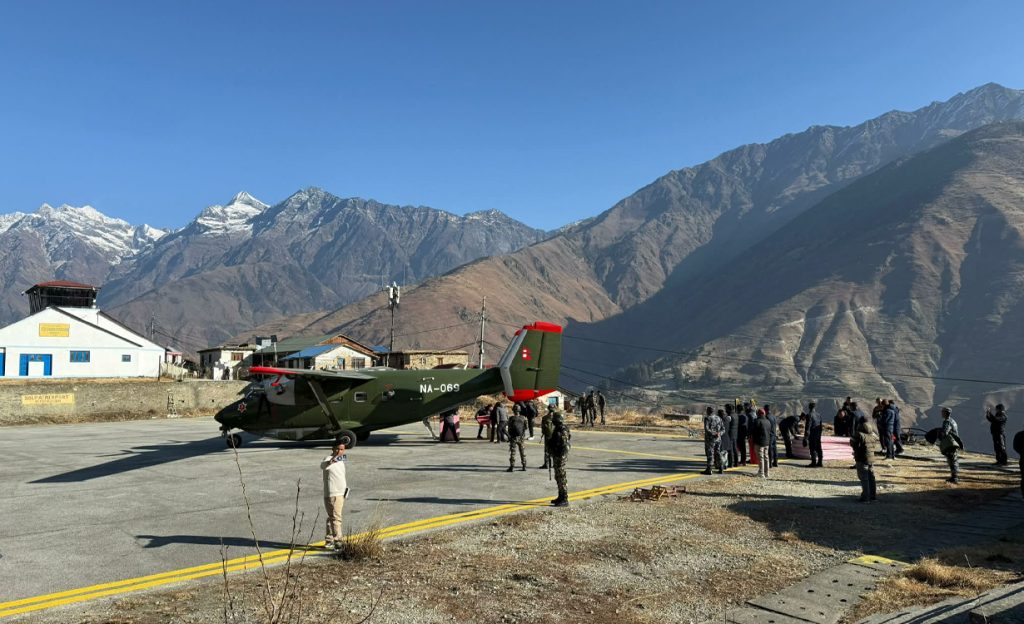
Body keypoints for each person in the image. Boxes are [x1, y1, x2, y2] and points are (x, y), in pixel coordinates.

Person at [320, 442, 349, 550]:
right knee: (336, 518)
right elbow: (322, 466)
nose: (339, 451)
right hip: (333, 493)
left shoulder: (341, 460)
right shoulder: (328, 459)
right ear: (333, 449)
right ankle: (338, 541)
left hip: (341, 493)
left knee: (332, 517)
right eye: (337, 449)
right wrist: (330, 461)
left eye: (342, 449)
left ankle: (329, 540)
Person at [850, 420, 877, 502]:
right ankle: (873, 496)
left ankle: (865, 497)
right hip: (871, 459)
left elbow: (853, 443)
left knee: (864, 478)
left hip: (862, 459)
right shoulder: (873, 436)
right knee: (871, 478)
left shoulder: (859, 435)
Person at [549, 411, 572, 506]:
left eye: (554, 419)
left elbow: (562, 444)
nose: (553, 421)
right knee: (558, 476)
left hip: (560, 456)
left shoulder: (562, 429)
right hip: (557, 455)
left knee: (561, 477)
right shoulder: (558, 428)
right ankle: (560, 496)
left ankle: (565, 498)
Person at [938, 407, 962, 484]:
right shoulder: (952, 420)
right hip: (954, 442)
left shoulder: (947, 422)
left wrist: (940, 434)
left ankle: (954, 477)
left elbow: (945, 432)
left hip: (951, 444)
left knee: (952, 460)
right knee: (954, 459)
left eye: (942, 412)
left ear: (945, 413)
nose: (941, 413)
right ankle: (954, 476)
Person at [702, 406, 725, 475]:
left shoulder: (707, 418)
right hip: (718, 439)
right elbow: (723, 429)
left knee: (710, 454)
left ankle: (709, 469)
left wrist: (714, 434)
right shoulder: (719, 418)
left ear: (708, 411)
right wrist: (719, 434)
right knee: (718, 453)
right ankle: (721, 468)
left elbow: (707, 429)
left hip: (710, 439)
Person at [752, 409, 773, 478]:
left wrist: (753, 441)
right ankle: (767, 472)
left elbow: (754, 432)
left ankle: (761, 473)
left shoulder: (757, 421)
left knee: (761, 458)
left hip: (759, 442)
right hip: (767, 442)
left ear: (758, 414)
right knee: (766, 457)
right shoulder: (768, 421)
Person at [506, 407, 528, 472]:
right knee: (522, 452)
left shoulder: (511, 418)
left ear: (513, 411)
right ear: (520, 410)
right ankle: (524, 466)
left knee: (513, 452)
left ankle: (512, 466)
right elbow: (526, 427)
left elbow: (509, 428)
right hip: (521, 437)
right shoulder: (523, 418)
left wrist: (510, 436)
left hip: (513, 437)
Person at [803, 401, 823, 467]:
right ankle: (820, 462)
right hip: (818, 434)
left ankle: (813, 462)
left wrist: (805, 437)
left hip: (812, 434)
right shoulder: (819, 415)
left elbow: (808, 427)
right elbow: (820, 426)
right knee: (819, 448)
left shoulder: (809, 415)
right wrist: (819, 435)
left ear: (809, 407)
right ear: (815, 407)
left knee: (812, 448)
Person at [538, 404, 556, 469]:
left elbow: (543, 428)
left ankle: (547, 464)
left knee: (547, 450)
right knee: (555, 450)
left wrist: (544, 433)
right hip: (555, 435)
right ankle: (555, 464)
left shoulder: (545, 417)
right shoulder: (557, 417)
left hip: (548, 436)